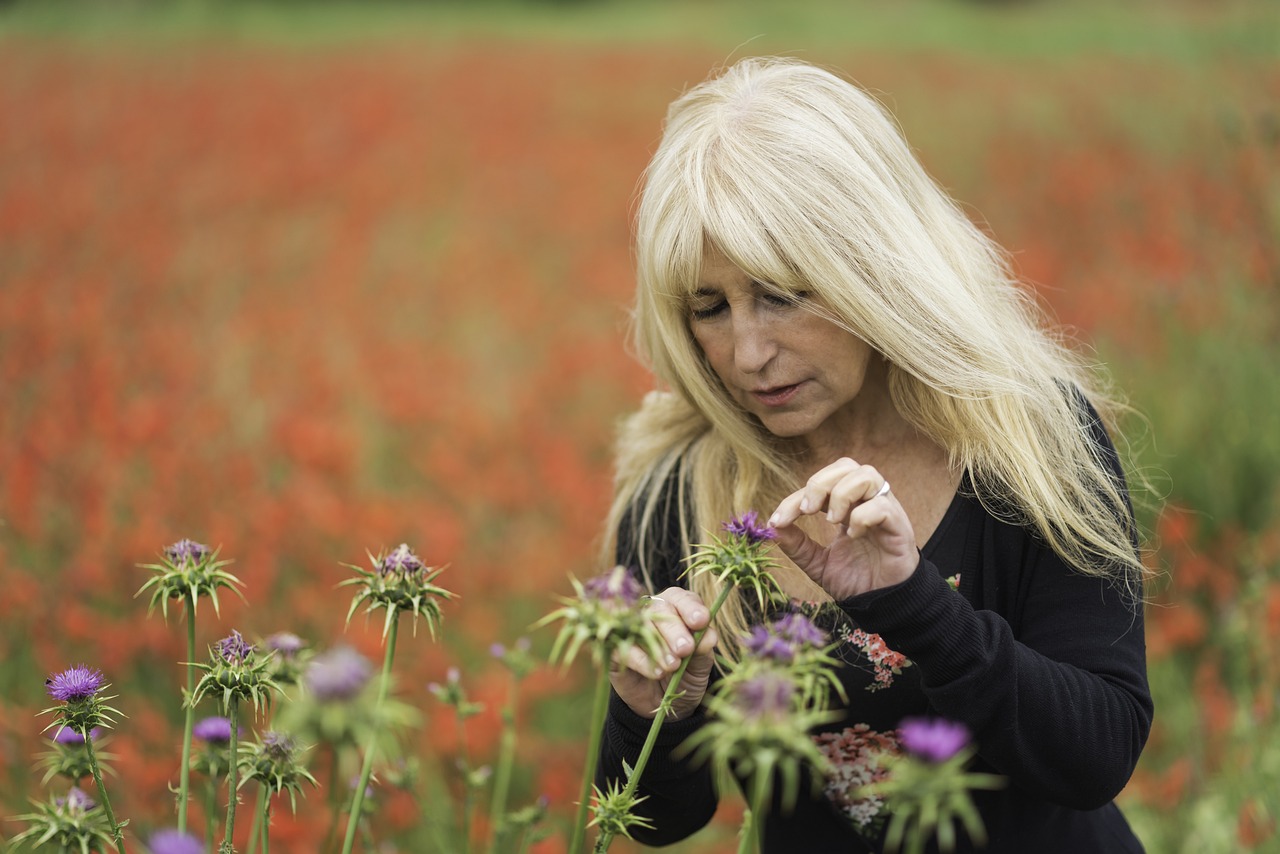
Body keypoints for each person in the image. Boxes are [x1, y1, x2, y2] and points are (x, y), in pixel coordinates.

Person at [594, 57, 1153, 853]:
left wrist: (914, 602)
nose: (748, 353)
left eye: (782, 294)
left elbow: (1096, 754)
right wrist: (651, 707)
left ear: (875, 269)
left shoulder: (1030, 442)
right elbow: (656, 819)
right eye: (709, 308)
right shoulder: (680, 495)